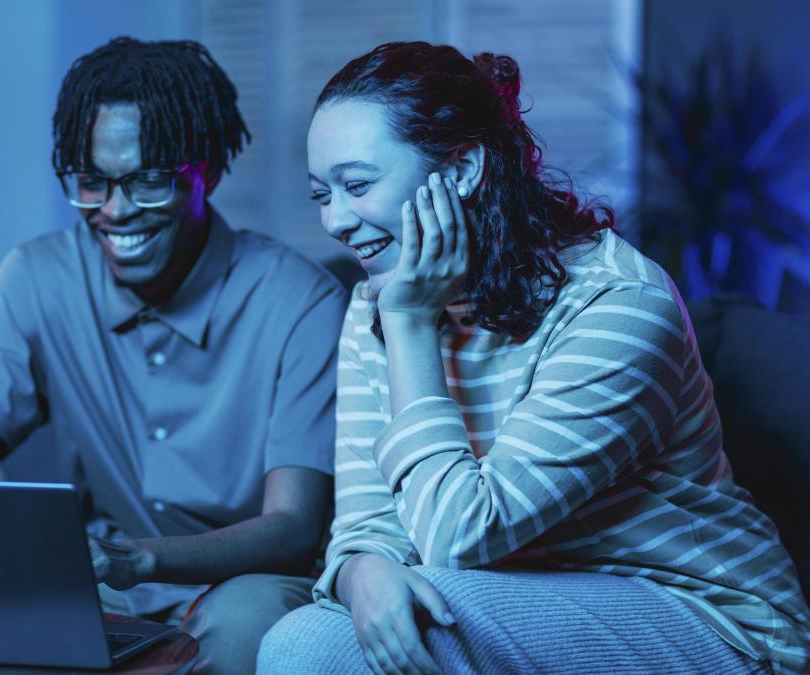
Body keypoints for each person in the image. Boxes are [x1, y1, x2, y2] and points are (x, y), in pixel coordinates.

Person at [257, 41, 810, 674]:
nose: (335, 220)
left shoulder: (618, 307)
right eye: (319, 195)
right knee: (322, 636)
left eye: (356, 185)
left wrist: (410, 326)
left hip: (708, 620)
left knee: (313, 649)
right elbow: (366, 520)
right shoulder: (377, 298)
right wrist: (361, 575)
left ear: (462, 170)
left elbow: (460, 536)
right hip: (513, 594)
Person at [0, 37, 347, 674]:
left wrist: (143, 558)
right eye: (93, 182)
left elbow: (293, 526)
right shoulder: (37, 278)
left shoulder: (300, 300)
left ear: (207, 170)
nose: (116, 212)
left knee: (237, 628)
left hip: (254, 580)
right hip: (108, 584)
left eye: (149, 181)